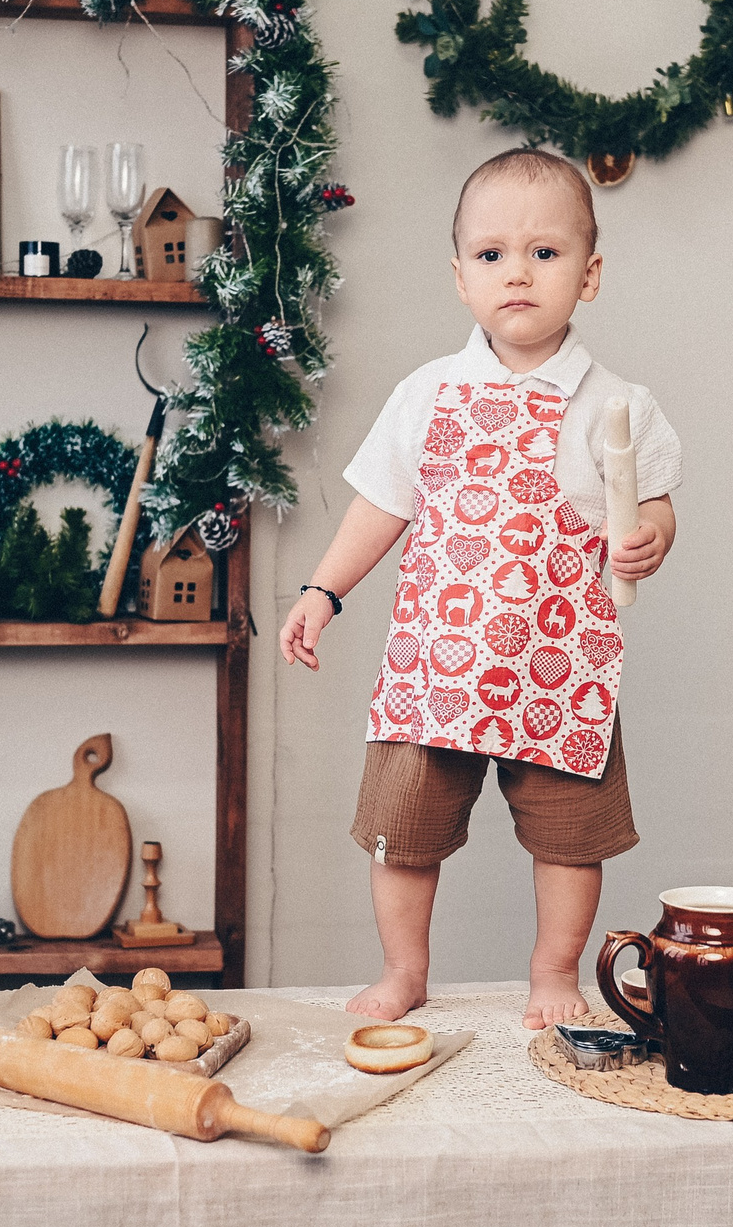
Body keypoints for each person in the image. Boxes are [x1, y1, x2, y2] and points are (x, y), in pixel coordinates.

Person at [279, 147, 681, 1029]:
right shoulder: (429, 393)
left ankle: (553, 970)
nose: (519, 274)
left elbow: (647, 500)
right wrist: (323, 589)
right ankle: (404, 967)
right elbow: (380, 507)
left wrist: (651, 535)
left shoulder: (617, 402)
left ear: (592, 272)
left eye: (546, 253)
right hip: (438, 662)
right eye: (493, 255)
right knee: (403, 827)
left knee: (570, 836)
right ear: (460, 278)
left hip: (557, 661)